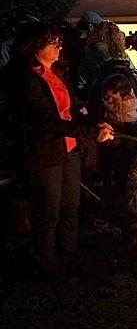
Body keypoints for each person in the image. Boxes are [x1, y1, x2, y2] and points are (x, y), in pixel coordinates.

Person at [13, 22, 114, 279]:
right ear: (35, 47)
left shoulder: (58, 71)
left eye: (59, 41)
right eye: (52, 43)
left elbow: (70, 109)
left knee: (71, 206)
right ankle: (46, 263)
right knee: (49, 211)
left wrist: (92, 122)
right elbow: (48, 121)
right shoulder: (26, 80)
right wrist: (90, 133)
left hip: (69, 149)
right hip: (46, 152)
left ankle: (69, 254)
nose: (59, 46)